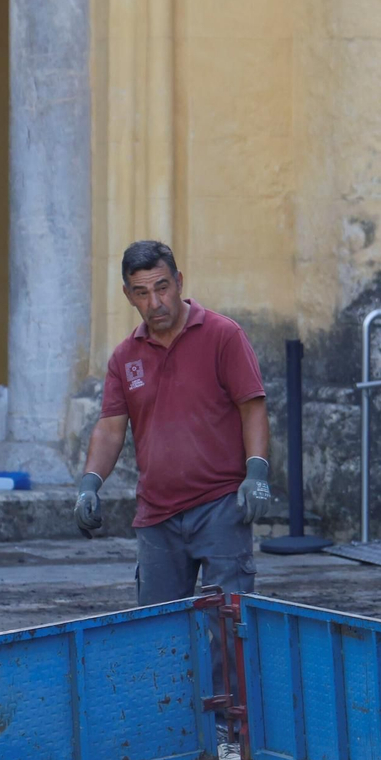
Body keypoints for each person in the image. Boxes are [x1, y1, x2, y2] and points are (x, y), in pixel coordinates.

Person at [74, 240, 273, 605]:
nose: (154, 302)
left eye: (162, 287)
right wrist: (89, 485)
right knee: (159, 632)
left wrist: (257, 474)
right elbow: (110, 428)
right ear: (127, 295)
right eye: (142, 293)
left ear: (179, 281)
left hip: (220, 506)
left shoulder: (222, 335)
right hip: (156, 516)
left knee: (229, 627)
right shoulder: (124, 357)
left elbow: (253, 406)